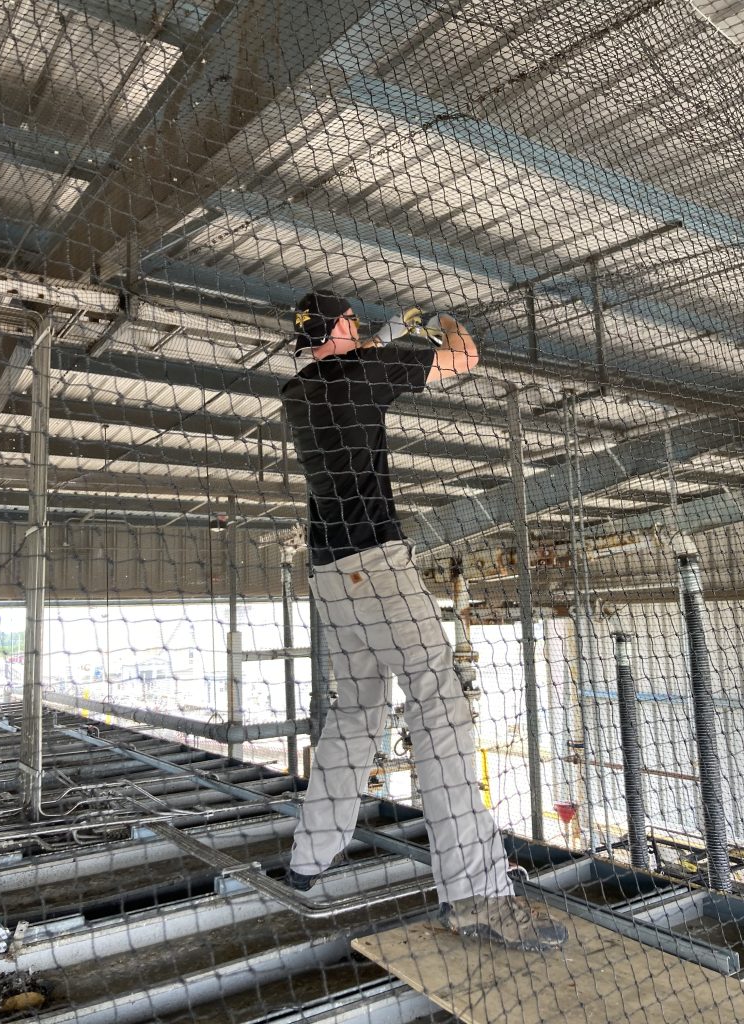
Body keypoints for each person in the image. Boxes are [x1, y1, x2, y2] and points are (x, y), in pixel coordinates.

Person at [279, 291, 567, 951]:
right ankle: (476, 894)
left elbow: (347, 384)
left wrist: (374, 354)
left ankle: (307, 860)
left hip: (330, 576)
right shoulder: (361, 375)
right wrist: (438, 320)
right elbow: (463, 356)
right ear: (343, 326)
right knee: (440, 704)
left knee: (356, 713)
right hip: (376, 568)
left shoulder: (298, 393)